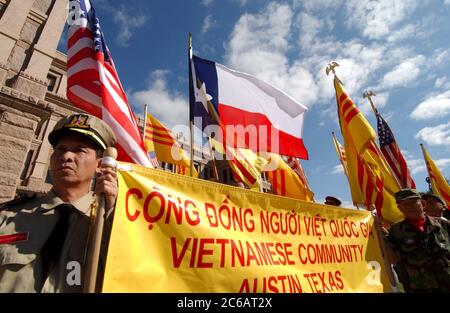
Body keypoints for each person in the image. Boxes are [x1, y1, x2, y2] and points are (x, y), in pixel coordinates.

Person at [0, 113, 118, 292]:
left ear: (99, 165)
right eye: (60, 149)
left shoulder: (109, 227)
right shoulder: (7, 217)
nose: (66, 156)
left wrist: (111, 213)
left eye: (79, 150)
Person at [386, 188, 450, 293]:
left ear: (423, 204)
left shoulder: (443, 225)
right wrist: (380, 235)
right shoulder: (396, 232)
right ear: (399, 208)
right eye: (404, 204)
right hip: (419, 287)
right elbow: (393, 259)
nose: (409, 206)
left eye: (413, 202)